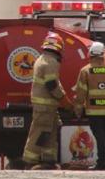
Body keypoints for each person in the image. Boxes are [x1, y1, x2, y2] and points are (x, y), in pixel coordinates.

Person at [22, 32, 73, 169]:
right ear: (59, 47)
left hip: (47, 106)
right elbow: (51, 85)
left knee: (51, 130)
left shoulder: (42, 58)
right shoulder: (51, 62)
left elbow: (54, 82)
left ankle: (48, 160)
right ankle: (30, 161)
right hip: (45, 105)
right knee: (40, 132)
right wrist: (64, 100)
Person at [74, 41, 105, 170]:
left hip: (94, 110)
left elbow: (81, 92)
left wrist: (78, 107)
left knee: (100, 136)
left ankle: (103, 162)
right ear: (103, 55)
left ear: (90, 54)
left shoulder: (86, 71)